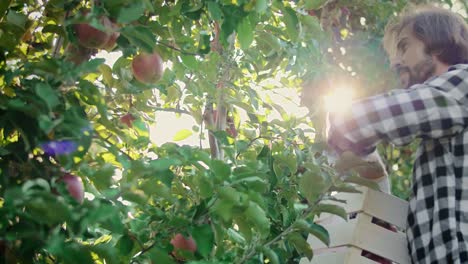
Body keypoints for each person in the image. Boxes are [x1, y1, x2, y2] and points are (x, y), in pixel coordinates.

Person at [327, 5, 468, 264]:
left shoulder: (462, 84)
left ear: (437, 44)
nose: (395, 61)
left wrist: (357, 152)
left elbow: (354, 122)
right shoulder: (444, 127)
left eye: (404, 46)